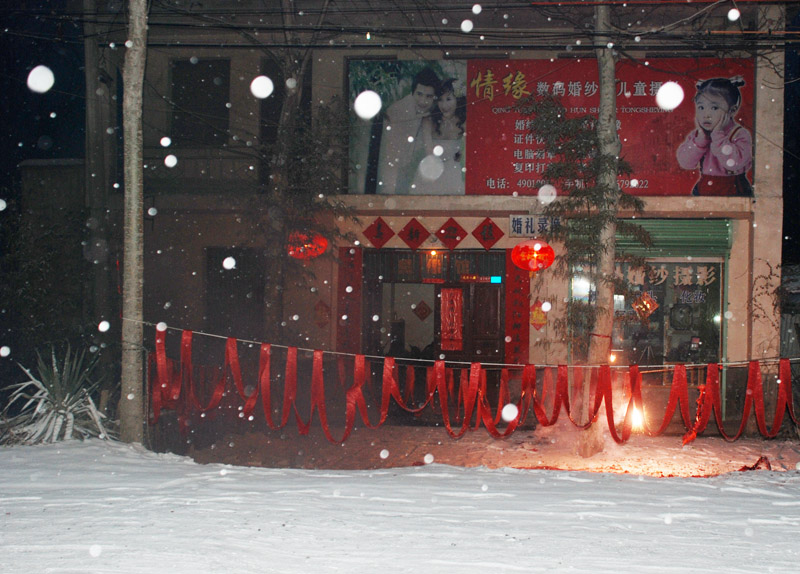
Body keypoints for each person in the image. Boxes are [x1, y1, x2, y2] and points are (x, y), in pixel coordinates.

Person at [676, 76, 753, 196]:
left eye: (714, 108)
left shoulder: (739, 134)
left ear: (732, 111)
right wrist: (700, 141)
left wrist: (718, 137)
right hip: (705, 187)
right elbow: (686, 162)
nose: (706, 114)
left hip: (733, 188)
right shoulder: (699, 135)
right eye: (701, 107)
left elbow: (733, 163)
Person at [377, 67, 440, 195]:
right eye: (419, 94)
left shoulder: (435, 110)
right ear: (412, 92)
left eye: (429, 96)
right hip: (394, 171)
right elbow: (390, 157)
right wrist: (388, 192)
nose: (423, 101)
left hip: (412, 171)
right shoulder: (397, 113)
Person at [412, 78, 467, 194]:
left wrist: (457, 155)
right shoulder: (429, 120)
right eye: (440, 100)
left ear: (457, 100)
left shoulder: (464, 122)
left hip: (452, 171)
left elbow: (465, 151)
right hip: (431, 169)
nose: (444, 105)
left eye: (448, 99)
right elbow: (429, 152)